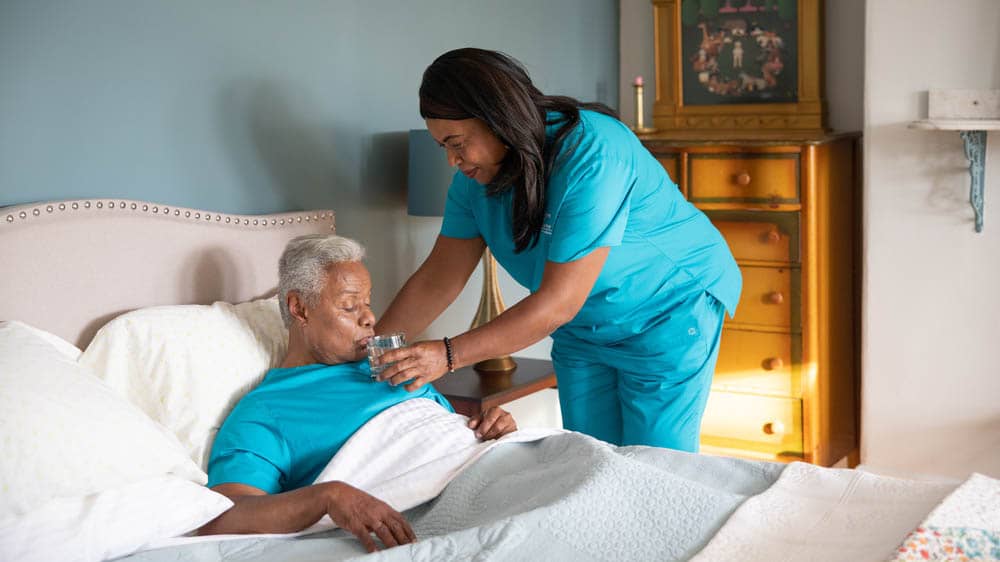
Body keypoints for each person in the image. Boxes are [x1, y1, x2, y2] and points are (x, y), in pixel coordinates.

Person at [373, 48, 741, 453]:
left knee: (655, 465)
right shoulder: (472, 184)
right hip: (584, 327)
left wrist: (447, 355)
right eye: (442, 146)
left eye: (457, 143)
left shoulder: (594, 152)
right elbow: (437, 278)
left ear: (498, 119)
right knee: (588, 458)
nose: (451, 160)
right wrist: (374, 352)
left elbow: (557, 303)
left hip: (667, 310)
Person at [198, 234, 518, 552]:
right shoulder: (267, 410)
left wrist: (491, 426)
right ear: (299, 308)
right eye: (350, 306)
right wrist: (329, 496)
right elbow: (223, 516)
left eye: (367, 303)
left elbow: (440, 435)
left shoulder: (389, 367)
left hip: (494, 473)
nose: (370, 318)